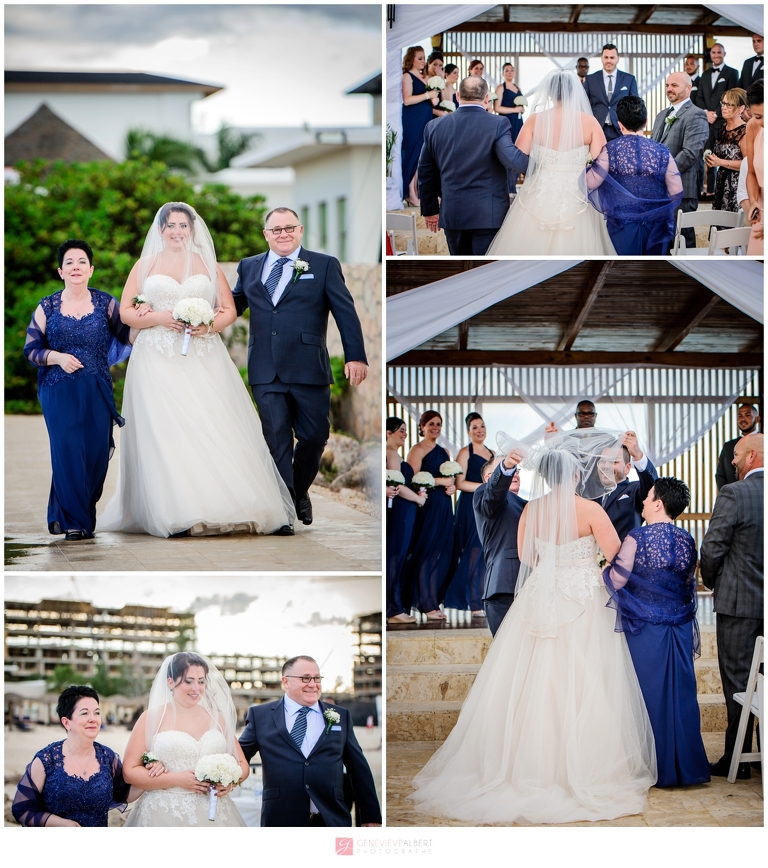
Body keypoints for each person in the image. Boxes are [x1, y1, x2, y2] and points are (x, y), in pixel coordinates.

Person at [409, 430, 656, 824]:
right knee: (586, 677)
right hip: (582, 600)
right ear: (575, 475)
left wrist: (555, 566)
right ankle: (585, 764)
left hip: (539, 596)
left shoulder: (530, 510)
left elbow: (526, 556)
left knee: (530, 680)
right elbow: (614, 557)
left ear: (546, 475)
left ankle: (523, 764)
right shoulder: (592, 511)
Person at [98, 203, 295, 538]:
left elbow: (229, 309)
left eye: (183, 225)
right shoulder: (145, 265)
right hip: (156, 356)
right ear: (160, 230)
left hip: (203, 353)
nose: (177, 231)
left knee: (213, 423)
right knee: (166, 430)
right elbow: (127, 313)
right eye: (170, 225)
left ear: (192, 229)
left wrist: (209, 326)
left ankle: (233, 504)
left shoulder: (207, 264)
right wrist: (158, 317)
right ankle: (174, 511)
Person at [232, 207, 368, 527]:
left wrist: (356, 356)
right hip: (265, 368)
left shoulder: (323, 265)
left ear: (300, 229)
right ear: (266, 235)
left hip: (308, 366)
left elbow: (345, 312)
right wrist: (198, 315)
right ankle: (283, 513)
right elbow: (234, 305)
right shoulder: (249, 266)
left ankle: (298, 490)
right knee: (277, 440)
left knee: (314, 436)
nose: (283, 234)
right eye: (276, 229)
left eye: (289, 228)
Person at [604, 478, 710, 788]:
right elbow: (687, 582)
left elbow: (617, 581)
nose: (642, 503)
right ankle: (687, 768)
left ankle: (653, 766)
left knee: (648, 695)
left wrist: (601, 570)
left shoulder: (637, 537)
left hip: (646, 629)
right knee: (681, 696)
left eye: (647, 498)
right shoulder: (688, 539)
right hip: (678, 628)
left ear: (658, 503)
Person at [23, 240, 131, 541]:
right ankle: (74, 522)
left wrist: (144, 313)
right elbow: (31, 349)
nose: (76, 267)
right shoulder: (47, 306)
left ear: (91, 269)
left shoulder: (106, 303)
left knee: (96, 455)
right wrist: (56, 357)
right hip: (57, 390)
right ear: (61, 271)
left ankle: (80, 512)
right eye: (69, 262)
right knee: (68, 451)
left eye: (82, 261)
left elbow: (130, 335)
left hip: (97, 389)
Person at [238, 656, 382, 826]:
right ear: (286, 681)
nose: (313, 684)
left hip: (330, 819)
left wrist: (370, 816)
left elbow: (358, 768)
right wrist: (222, 778)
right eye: (305, 678)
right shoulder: (260, 715)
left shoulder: (341, 715)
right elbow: (239, 757)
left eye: (316, 678)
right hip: (280, 819)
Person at [488, 68, 616, 255]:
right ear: (574, 92)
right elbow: (602, 161)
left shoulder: (534, 120)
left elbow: (518, 156)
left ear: (548, 92)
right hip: (578, 193)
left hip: (539, 191)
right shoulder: (590, 122)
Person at [700, 433, 764, 780]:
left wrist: (712, 583)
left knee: (738, 683)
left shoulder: (734, 493)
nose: (733, 462)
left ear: (752, 456)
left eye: (737, 456)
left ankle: (737, 759)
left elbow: (711, 550)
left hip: (739, 605)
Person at [122, 652, 249, 825]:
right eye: (189, 681)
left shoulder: (217, 719)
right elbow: (129, 771)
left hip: (215, 812)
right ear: (170, 682)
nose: (196, 688)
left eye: (201, 681)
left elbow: (243, 765)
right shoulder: (151, 718)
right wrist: (177, 779)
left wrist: (230, 782)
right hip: (164, 812)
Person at [419, 75, 529, 256]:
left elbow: (425, 172)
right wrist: (542, 164)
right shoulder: (498, 123)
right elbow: (512, 160)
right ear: (486, 99)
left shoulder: (434, 127)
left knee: (460, 269)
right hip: (489, 215)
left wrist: (430, 210)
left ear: (457, 97)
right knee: (485, 272)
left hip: (453, 215)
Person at [12, 686, 138, 826]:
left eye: (96, 713)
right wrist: (58, 823)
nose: (93, 719)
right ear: (66, 722)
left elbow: (124, 794)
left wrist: (154, 772)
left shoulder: (107, 757)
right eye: (84, 713)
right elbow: (21, 809)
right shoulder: (47, 760)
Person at [588, 96, 683, 255]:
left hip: (623, 225)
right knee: (651, 273)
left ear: (619, 124)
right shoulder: (661, 151)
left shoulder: (611, 150)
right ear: (646, 121)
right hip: (656, 226)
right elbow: (676, 190)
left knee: (626, 271)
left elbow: (591, 183)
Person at [404, 411, 457, 619]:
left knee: (442, 554)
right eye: (432, 424)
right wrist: (441, 482)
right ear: (422, 426)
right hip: (427, 505)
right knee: (427, 553)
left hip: (444, 505)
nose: (435, 427)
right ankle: (427, 604)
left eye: (439, 424)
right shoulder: (417, 449)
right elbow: (414, 479)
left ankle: (434, 600)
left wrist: (450, 488)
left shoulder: (444, 451)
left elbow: (449, 479)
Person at [444, 412, 494, 617]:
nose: (479, 430)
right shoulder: (465, 452)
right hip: (470, 506)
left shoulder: (492, 453)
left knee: (485, 552)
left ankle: (482, 597)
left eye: (482, 426)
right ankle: (474, 603)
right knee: (473, 551)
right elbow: (460, 483)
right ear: (468, 431)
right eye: (474, 427)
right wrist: (486, 486)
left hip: (487, 507)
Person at [651, 73, 709, 249]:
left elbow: (689, 154)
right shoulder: (661, 115)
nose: (669, 89)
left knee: (681, 239)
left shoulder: (696, 115)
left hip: (681, 189)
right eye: (667, 85)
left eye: (674, 85)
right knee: (662, 240)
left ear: (688, 88)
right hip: (658, 190)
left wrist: (662, 174)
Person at [472, 450, 526, 636]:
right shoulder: (484, 494)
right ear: (490, 477)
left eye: (517, 470)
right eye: (512, 470)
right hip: (504, 586)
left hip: (532, 585)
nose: (515, 473)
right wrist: (506, 468)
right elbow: (492, 496)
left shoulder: (527, 504)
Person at [386, 416, 426, 624]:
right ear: (388, 433)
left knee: (399, 557)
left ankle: (395, 606)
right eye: (400, 430)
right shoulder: (391, 453)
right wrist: (418, 499)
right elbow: (398, 485)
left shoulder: (395, 454)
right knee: (395, 557)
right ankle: (393, 608)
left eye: (405, 430)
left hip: (405, 510)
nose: (404, 434)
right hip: (401, 511)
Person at [694, 43, 739, 196]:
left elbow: (733, 96)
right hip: (706, 123)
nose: (716, 55)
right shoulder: (705, 75)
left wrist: (716, 114)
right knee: (708, 155)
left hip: (723, 122)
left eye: (719, 52)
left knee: (725, 156)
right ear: (710, 54)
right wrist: (706, 113)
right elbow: (699, 97)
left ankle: (724, 190)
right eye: (713, 52)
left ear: (724, 53)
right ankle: (710, 191)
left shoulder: (732, 73)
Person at [597, 433, 658, 541]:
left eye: (614, 462)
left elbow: (653, 487)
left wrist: (638, 455)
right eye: (603, 461)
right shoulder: (589, 493)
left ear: (627, 468)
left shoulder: (635, 490)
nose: (606, 466)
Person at [401, 46, 439, 206]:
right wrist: (426, 95)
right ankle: (409, 192)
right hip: (412, 120)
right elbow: (407, 100)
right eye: (420, 58)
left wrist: (434, 99)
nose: (423, 61)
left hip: (425, 119)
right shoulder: (407, 76)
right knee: (412, 154)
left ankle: (416, 191)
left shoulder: (426, 78)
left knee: (421, 157)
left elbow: (431, 99)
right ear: (411, 59)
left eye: (424, 58)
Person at [583, 44, 639, 142]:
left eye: (612, 57)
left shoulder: (629, 79)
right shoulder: (590, 79)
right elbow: (583, 104)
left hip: (621, 129)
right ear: (601, 58)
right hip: (597, 128)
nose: (609, 60)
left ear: (618, 59)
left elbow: (635, 106)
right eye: (606, 57)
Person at [707, 88, 748, 220]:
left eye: (729, 105)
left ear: (741, 108)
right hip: (721, 181)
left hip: (736, 185)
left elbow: (749, 164)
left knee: (732, 227)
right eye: (723, 103)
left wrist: (720, 162)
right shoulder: (723, 127)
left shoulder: (745, 131)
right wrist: (712, 159)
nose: (724, 107)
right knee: (718, 224)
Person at [495, 63, 526, 193]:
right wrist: (514, 109)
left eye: (512, 70)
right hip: (507, 123)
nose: (510, 72)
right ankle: (508, 189)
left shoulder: (517, 88)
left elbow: (522, 107)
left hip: (518, 123)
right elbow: (497, 108)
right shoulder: (500, 88)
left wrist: (521, 109)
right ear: (503, 73)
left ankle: (514, 188)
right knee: (508, 153)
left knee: (519, 152)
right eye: (507, 70)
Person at [716, 403, 761, 489]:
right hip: (733, 497)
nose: (743, 419)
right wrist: (726, 494)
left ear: (757, 419)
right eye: (740, 416)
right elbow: (720, 475)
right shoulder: (728, 446)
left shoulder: (764, 442)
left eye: (748, 415)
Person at [743, 80, 764, 254]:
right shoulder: (753, 127)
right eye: (758, 117)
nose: (763, 122)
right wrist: (754, 201)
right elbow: (751, 173)